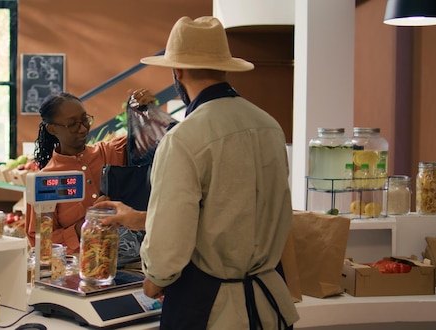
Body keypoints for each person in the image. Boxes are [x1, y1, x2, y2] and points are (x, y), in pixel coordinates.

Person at [95, 16, 299, 329]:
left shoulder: (184, 138)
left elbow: (171, 243)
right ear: (225, 68)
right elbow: (233, 214)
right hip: (269, 306)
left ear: (178, 71)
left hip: (211, 311)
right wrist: (139, 218)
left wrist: (155, 278)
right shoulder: (269, 126)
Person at [26, 91, 155, 254]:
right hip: (78, 270)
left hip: (127, 262)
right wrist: (82, 227)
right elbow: (40, 242)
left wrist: (142, 109)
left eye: (85, 120)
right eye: (72, 124)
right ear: (52, 129)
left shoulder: (110, 152)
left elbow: (146, 138)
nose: (82, 128)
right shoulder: (46, 180)